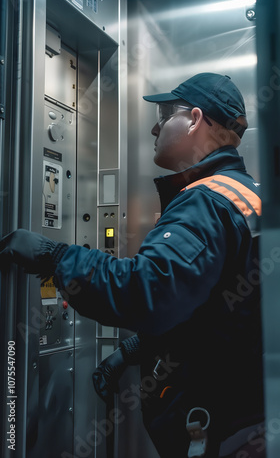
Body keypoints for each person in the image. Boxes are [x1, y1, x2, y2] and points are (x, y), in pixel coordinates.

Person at [0, 73, 265, 458]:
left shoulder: (207, 201)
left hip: (218, 428)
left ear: (194, 119)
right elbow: (215, 307)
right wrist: (133, 351)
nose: (156, 126)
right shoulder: (243, 194)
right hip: (242, 417)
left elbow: (150, 291)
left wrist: (53, 256)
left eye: (164, 114)